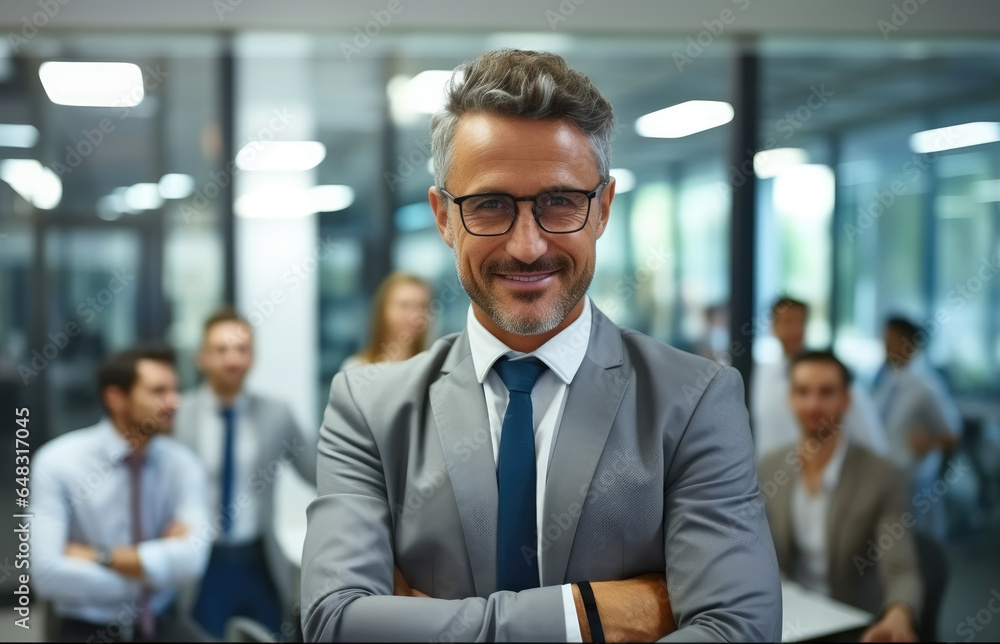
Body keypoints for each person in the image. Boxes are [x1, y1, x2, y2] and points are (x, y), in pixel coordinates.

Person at [301, 48, 781, 642]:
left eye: (559, 201)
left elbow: (739, 630)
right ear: (444, 217)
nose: (527, 247)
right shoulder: (368, 407)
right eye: (489, 205)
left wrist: (422, 621)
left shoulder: (695, 402)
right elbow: (333, 622)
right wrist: (585, 615)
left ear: (602, 208)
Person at [32, 347, 211, 642]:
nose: (175, 401)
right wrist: (158, 570)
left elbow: (192, 560)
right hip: (87, 628)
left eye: (175, 389)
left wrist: (98, 557)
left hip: (162, 622)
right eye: (158, 391)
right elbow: (47, 576)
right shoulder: (57, 462)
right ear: (116, 398)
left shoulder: (183, 464)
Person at [173, 308, 319, 638]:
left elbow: (318, 472)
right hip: (202, 562)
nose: (233, 359)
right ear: (201, 358)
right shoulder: (179, 417)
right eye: (221, 350)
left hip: (259, 560)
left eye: (242, 350)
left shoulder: (276, 413)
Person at [758, 350, 923, 643]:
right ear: (789, 398)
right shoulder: (770, 467)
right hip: (787, 619)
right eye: (803, 391)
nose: (813, 404)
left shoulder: (883, 476)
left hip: (848, 624)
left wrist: (899, 615)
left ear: (847, 399)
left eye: (826, 392)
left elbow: (900, 568)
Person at [751, 296, 888, 459]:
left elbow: (872, 442)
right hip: (772, 476)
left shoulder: (832, 375)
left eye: (800, 322)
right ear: (773, 327)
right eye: (787, 322)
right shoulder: (760, 376)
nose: (795, 330)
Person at [872, 316, 961, 539]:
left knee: (916, 543)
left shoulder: (927, 386)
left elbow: (953, 435)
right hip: (887, 475)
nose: (885, 346)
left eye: (890, 340)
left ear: (909, 343)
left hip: (913, 479)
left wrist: (929, 442)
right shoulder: (889, 378)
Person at [340, 271, 433, 371]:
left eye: (423, 306)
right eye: (404, 305)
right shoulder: (355, 368)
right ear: (383, 310)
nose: (415, 315)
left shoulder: (432, 368)